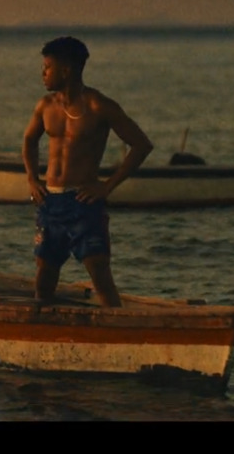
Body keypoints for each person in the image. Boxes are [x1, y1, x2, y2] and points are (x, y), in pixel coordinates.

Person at [22, 36, 153, 308]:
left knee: (99, 273)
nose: (43, 73)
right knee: (45, 275)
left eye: (47, 67)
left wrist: (107, 186)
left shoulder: (99, 106)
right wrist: (32, 179)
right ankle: (42, 332)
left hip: (83, 202)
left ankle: (118, 332)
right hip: (50, 201)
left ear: (66, 70)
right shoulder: (45, 106)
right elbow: (29, 141)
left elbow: (141, 145)